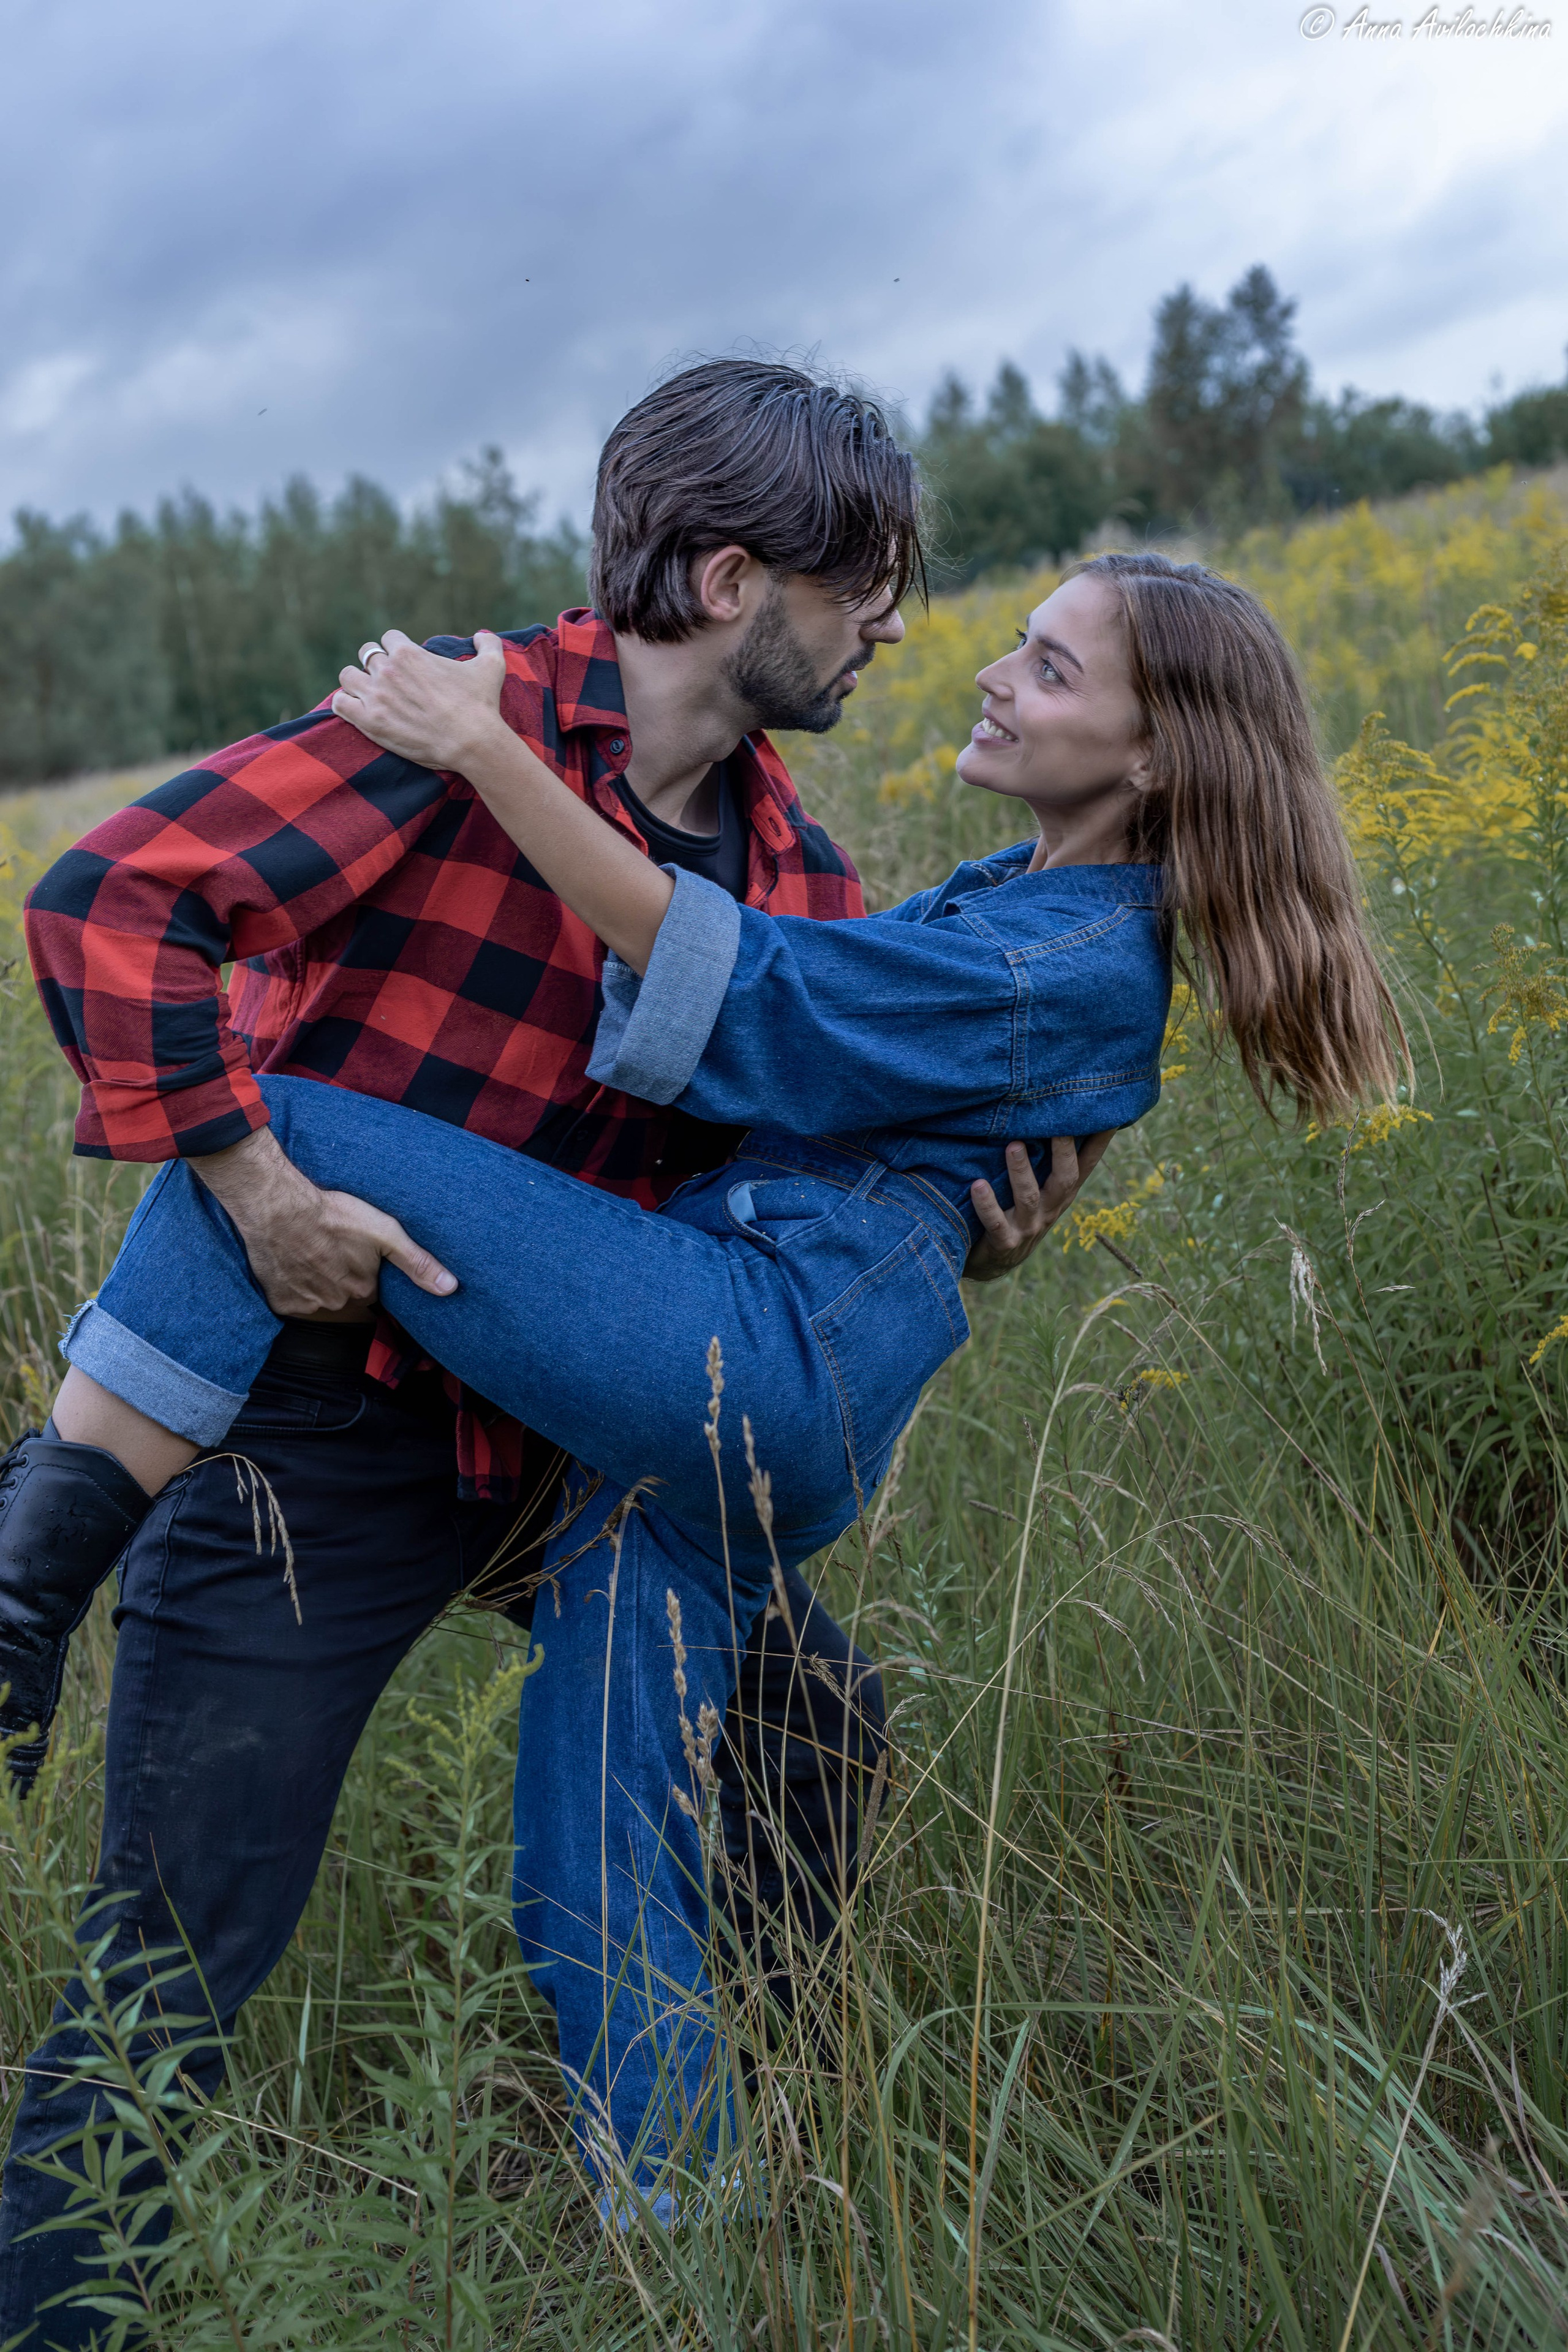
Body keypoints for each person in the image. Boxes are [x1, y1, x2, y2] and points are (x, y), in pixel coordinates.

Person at [7, 552, 1403, 2273]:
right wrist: (971, 1211)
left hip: (746, 1357)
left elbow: (768, 1010)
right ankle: (703, 2248)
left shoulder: (1045, 948)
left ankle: (27, 1565)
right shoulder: (997, 897)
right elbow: (838, 1099)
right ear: (735, 578)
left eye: (1046, 670)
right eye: (989, 641)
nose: (962, 663)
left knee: (281, 1124)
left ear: (1162, 752)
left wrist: (488, 758)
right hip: (653, 1414)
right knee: (595, 1873)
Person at [2, 357, 1057, 2339]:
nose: (894, 628)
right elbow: (111, 903)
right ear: (734, 576)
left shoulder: (797, 876)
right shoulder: (447, 722)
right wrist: (252, 1185)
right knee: (177, 1957)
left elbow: (778, 1212)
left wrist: (961, 1241)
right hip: (316, 1425)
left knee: (811, 1729)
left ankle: (753, 2176)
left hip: (560, 1441)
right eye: (866, 587)